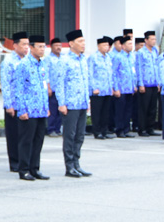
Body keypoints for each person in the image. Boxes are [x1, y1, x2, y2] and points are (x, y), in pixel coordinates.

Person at [15, 35, 50, 181]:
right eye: (40, 47)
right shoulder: (23, 64)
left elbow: (44, 87)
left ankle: (35, 168)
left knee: (38, 140)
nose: (42, 49)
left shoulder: (42, 64)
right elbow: (19, 88)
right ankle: (24, 170)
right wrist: (22, 110)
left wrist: (46, 107)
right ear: (31, 47)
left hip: (40, 109)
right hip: (28, 109)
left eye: (44, 46)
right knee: (26, 141)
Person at [58, 29, 92, 178]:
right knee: (70, 135)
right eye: (80, 41)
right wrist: (62, 103)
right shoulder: (64, 60)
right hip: (70, 104)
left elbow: (86, 81)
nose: (83, 44)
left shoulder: (83, 59)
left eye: (84, 41)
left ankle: (77, 163)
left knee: (80, 136)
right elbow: (59, 83)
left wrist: (87, 99)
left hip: (82, 103)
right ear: (71, 44)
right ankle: (69, 166)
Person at [0, 31, 29, 173]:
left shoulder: (28, 61)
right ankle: (15, 162)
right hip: (14, 104)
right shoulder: (8, 62)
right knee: (13, 135)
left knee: (25, 135)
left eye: (28, 44)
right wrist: (8, 104)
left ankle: (25, 161)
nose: (26, 47)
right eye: (23, 44)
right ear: (15, 45)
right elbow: (5, 84)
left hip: (26, 104)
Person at [136, 31, 161, 137]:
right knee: (143, 107)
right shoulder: (141, 52)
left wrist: (159, 82)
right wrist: (140, 84)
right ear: (146, 40)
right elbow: (139, 69)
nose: (154, 41)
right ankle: (142, 128)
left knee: (152, 107)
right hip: (145, 84)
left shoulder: (155, 51)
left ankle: (150, 127)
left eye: (155, 39)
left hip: (154, 83)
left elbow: (157, 67)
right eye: (152, 39)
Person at [88, 36, 114, 139]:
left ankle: (104, 131)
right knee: (97, 112)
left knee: (105, 112)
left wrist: (111, 86)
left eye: (107, 45)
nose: (106, 47)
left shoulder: (108, 57)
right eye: (104, 45)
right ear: (98, 46)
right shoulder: (93, 57)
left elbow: (110, 73)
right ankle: (97, 131)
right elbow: (90, 73)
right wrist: (93, 87)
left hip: (107, 89)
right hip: (97, 89)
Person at [112, 36, 136, 138]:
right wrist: (115, 88)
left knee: (128, 110)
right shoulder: (118, 57)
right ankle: (119, 129)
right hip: (121, 88)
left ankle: (126, 129)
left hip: (130, 87)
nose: (131, 46)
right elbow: (114, 73)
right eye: (129, 44)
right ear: (123, 46)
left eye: (132, 44)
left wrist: (134, 85)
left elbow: (133, 72)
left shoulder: (131, 56)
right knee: (120, 110)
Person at [44, 38, 63, 137]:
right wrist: (48, 87)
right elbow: (45, 74)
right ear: (51, 47)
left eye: (60, 45)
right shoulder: (48, 59)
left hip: (62, 89)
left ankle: (58, 128)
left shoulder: (63, 58)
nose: (58, 47)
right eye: (56, 45)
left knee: (60, 110)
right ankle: (51, 129)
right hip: (53, 88)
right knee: (52, 110)